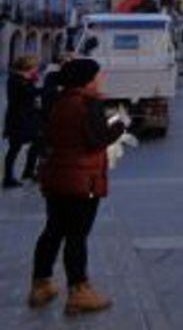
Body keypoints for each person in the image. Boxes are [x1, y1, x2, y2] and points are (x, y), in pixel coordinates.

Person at [29, 58, 125, 314]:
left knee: (53, 230)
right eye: (97, 76)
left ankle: (41, 283)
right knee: (77, 235)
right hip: (82, 179)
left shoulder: (59, 101)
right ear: (87, 80)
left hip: (57, 176)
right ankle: (79, 290)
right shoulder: (88, 104)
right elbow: (96, 140)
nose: (100, 80)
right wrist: (118, 125)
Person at [4, 55, 43, 188]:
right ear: (28, 67)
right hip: (18, 119)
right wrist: (49, 89)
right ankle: (8, 177)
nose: (37, 69)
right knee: (14, 148)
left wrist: (32, 80)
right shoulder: (15, 80)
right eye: (34, 67)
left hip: (27, 119)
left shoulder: (24, 79)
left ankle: (28, 171)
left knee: (37, 142)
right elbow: (29, 93)